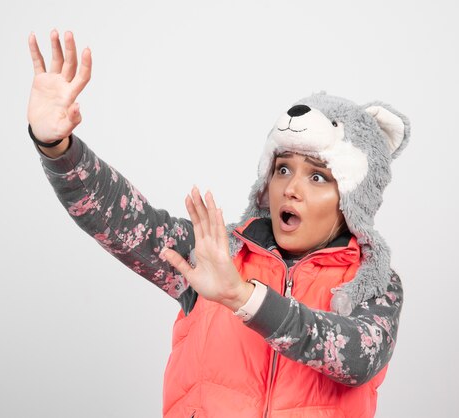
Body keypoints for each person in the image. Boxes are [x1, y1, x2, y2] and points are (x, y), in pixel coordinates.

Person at [27, 30, 406, 418]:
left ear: (352, 198)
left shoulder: (373, 283)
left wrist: (244, 298)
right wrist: (57, 148)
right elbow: (120, 218)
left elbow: (358, 356)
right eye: (283, 169)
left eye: (317, 177)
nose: (291, 188)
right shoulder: (218, 253)